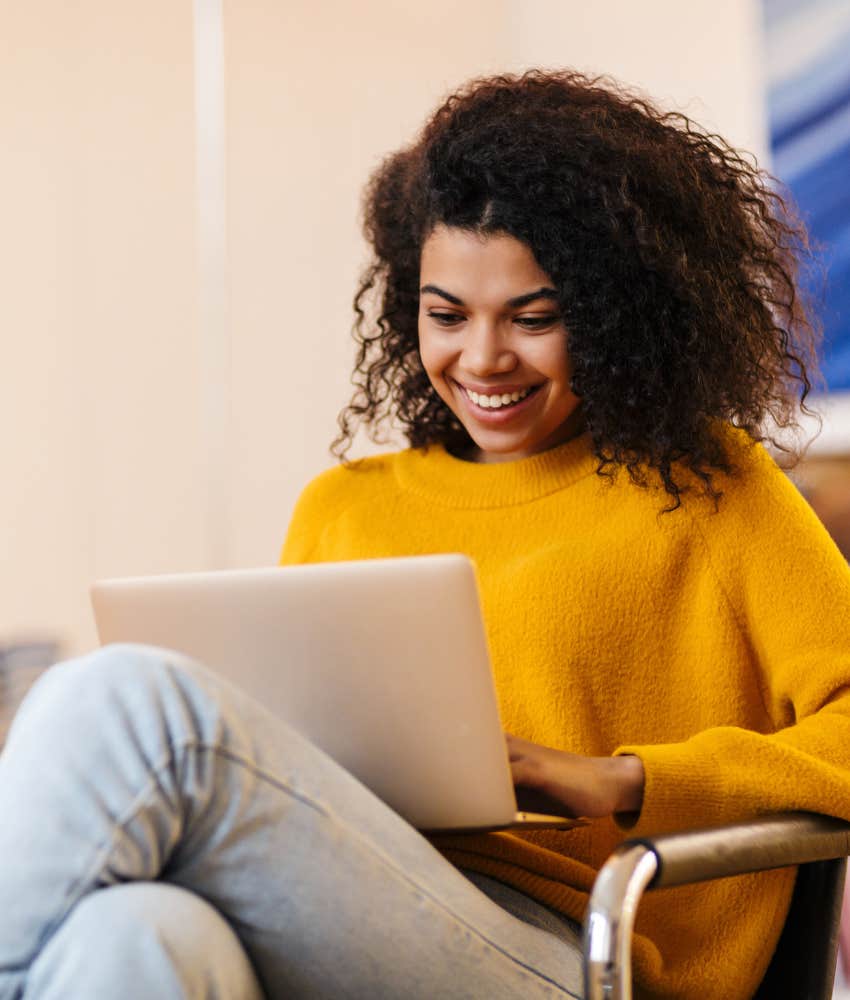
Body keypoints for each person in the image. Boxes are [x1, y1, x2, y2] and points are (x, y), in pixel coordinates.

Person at [2, 69, 850, 1000]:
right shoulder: (344, 506)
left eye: (535, 319)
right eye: (446, 315)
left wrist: (623, 780)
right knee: (135, 934)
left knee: (127, 701)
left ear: (619, 315)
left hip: (575, 948)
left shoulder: (712, 491)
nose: (481, 358)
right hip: (355, 895)